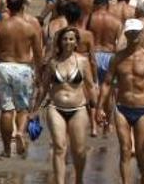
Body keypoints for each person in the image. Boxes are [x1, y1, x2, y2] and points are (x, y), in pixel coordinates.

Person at [96, 18, 144, 184]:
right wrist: (99, 108)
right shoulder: (118, 58)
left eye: (135, 32)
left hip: (142, 108)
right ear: (125, 34)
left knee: (140, 151)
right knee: (125, 149)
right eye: (130, 32)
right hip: (122, 108)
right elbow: (107, 83)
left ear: (141, 34)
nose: (133, 35)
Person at [0, 0, 43, 157]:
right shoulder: (31, 27)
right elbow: (38, 55)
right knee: (23, 108)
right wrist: (40, 75)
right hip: (23, 68)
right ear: (23, 6)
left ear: (7, 7)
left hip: (4, 67)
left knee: (6, 110)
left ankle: (7, 149)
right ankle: (20, 133)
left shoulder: (1, 26)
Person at [35, 27, 95, 184]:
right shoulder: (53, 62)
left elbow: (90, 86)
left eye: (71, 39)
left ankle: (79, 180)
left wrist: (97, 110)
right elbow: (44, 87)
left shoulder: (83, 61)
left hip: (79, 109)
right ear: (60, 42)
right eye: (65, 39)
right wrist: (34, 110)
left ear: (76, 42)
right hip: (55, 107)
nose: (68, 42)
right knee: (60, 147)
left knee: (79, 150)